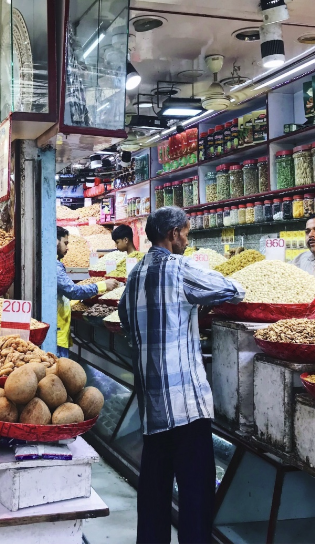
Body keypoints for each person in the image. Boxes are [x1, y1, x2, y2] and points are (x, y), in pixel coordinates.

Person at [118, 207, 245, 544]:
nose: (187, 241)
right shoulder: (178, 268)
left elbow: (125, 320)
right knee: (195, 493)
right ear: (173, 234)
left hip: (151, 404)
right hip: (185, 403)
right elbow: (231, 289)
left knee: (154, 491)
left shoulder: (134, 275)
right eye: (186, 233)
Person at [57, 226, 117, 357]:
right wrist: (102, 285)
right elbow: (73, 291)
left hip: (60, 331)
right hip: (57, 334)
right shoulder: (54, 266)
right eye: (65, 243)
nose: (67, 248)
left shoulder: (54, 264)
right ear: (56, 242)